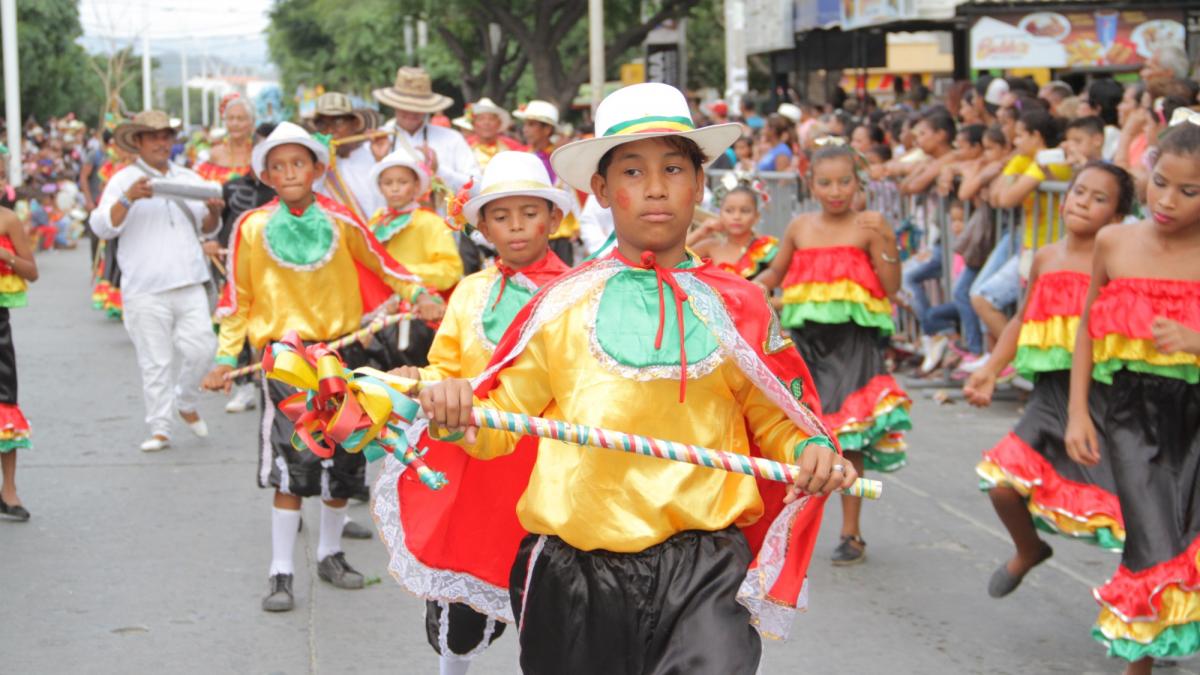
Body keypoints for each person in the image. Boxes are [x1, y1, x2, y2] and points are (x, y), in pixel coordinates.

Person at [417, 82, 855, 673]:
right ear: (601, 189)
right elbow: (497, 424)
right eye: (632, 171)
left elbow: (778, 415)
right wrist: (456, 410)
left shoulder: (741, 304)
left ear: (699, 183)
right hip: (575, 571)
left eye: (673, 168)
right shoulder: (562, 304)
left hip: (704, 567)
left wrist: (810, 449)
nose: (654, 188)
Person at [200, 122, 444, 613]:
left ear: (317, 169)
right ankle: (281, 569)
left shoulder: (342, 221)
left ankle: (331, 554)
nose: (289, 172)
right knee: (293, 464)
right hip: (285, 362)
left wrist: (419, 295)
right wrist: (226, 358)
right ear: (266, 175)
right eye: (279, 166)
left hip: (342, 355)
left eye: (299, 163)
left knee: (346, 457)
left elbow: (383, 264)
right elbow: (237, 300)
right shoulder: (249, 227)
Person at [379, 150, 574, 675]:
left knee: (550, 603)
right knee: (462, 601)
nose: (516, 227)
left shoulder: (577, 295)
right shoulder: (470, 291)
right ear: (483, 225)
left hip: (548, 469)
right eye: (501, 216)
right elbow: (444, 363)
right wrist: (419, 380)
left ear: (553, 219)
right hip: (473, 460)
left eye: (529, 213)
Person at [1064, 114, 1200, 674]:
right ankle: (1136, 664)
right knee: (1149, 539)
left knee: (1188, 546)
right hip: (1129, 415)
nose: (1166, 200)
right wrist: (1078, 412)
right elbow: (1086, 329)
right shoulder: (1114, 240)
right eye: (1159, 181)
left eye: (1189, 191)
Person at [965, 163, 1134, 599]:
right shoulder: (1045, 256)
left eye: (1100, 199)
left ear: (1117, 218)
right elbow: (1022, 319)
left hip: (1107, 402)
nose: (1084, 202)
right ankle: (1029, 548)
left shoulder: (1121, 260)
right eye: (1079, 191)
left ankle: (1143, 609)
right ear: (1064, 197)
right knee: (1001, 483)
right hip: (1047, 398)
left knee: (1128, 514)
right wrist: (988, 370)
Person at [755, 139, 910, 565]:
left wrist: (886, 237)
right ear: (811, 184)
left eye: (845, 181)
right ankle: (785, 530)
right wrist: (754, 286)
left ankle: (851, 531)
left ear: (859, 183)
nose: (836, 190)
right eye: (825, 182)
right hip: (806, 347)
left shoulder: (869, 224)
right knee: (802, 435)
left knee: (849, 432)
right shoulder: (800, 227)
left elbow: (892, 286)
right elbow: (775, 272)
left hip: (855, 344)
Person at [88, 111, 222, 453]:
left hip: (190, 279)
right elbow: (102, 227)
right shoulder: (122, 180)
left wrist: (216, 212)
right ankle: (160, 428)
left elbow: (207, 229)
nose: (162, 142)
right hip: (144, 287)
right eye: (153, 136)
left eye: (166, 135)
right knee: (155, 362)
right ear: (139, 142)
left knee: (203, 348)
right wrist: (129, 198)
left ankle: (185, 399)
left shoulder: (190, 177)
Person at [967, 109, 1072, 373]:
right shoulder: (1026, 161)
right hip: (1029, 248)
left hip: (1046, 250)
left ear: (1036, 136)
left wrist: (1013, 169)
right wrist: (1014, 163)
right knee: (988, 300)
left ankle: (1020, 363)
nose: (1015, 142)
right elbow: (995, 196)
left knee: (985, 299)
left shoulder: (1050, 164)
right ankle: (1019, 363)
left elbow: (1007, 198)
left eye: (1021, 136)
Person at [362, 147, 463, 370]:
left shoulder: (429, 222)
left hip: (418, 313)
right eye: (388, 183)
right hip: (380, 310)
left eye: (402, 182)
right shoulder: (376, 221)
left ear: (416, 186)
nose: (395, 188)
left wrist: (401, 272)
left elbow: (451, 269)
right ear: (380, 187)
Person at [216, 122, 278, 415]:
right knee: (236, 309)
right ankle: (241, 382)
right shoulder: (232, 187)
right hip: (238, 264)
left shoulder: (328, 217)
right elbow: (220, 226)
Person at [374, 67, 478, 194]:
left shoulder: (451, 138)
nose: (411, 112)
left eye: (418, 106)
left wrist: (438, 171)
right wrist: (378, 161)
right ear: (394, 105)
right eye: (404, 106)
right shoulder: (377, 139)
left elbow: (477, 188)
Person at [0, 203, 37, 521]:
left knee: (4, 402)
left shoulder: (8, 219)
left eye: (0, 175)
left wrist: (5, 255)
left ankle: (8, 489)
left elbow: (31, 271)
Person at [311, 92, 389, 223]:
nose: (330, 130)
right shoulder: (316, 164)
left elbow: (388, 204)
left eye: (338, 121)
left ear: (355, 124)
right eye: (322, 124)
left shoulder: (373, 157)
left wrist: (381, 161)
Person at [686, 183, 777, 278]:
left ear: (756, 217)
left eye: (745, 211)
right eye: (729, 211)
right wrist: (700, 232)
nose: (736, 217)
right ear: (720, 214)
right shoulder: (710, 246)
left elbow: (782, 278)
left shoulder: (764, 248)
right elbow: (673, 260)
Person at [194, 94, 255, 184]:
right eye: (230, 118)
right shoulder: (214, 154)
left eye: (240, 119)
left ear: (251, 122)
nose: (235, 123)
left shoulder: (259, 153)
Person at [456, 97, 525, 171]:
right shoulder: (464, 147)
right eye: (481, 119)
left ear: (499, 123)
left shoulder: (514, 147)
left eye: (491, 119)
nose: (486, 123)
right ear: (473, 124)